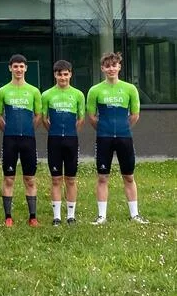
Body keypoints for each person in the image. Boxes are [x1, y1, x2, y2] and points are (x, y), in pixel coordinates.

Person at [86, 51, 148, 225]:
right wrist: (104, 129)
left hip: (124, 138)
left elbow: (134, 115)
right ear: (102, 68)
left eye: (114, 65)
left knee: (129, 176)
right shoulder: (95, 90)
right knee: (102, 177)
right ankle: (101, 216)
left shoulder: (130, 89)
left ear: (119, 67)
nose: (111, 69)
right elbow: (92, 117)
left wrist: (122, 128)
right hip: (103, 138)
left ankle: (135, 215)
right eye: (107, 66)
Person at [0, 54, 42, 227]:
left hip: (28, 140)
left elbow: (38, 115)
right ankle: (8, 217)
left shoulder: (34, 91)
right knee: (9, 178)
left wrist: (28, 129)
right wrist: (7, 130)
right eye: (15, 66)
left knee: (30, 178)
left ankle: (33, 217)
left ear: (26, 68)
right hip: (10, 140)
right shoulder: (3, 91)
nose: (19, 69)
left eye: (22, 66)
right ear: (10, 68)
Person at [41, 60, 85, 226]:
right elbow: (44, 119)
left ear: (70, 74)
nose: (63, 78)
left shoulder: (78, 94)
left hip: (71, 140)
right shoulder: (47, 95)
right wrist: (55, 131)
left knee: (71, 179)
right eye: (60, 74)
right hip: (54, 140)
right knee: (56, 179)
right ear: (55, 75)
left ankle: (71, 216)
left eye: (66, 74)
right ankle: (57, 217)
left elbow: (81, 119)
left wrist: (71, 133)